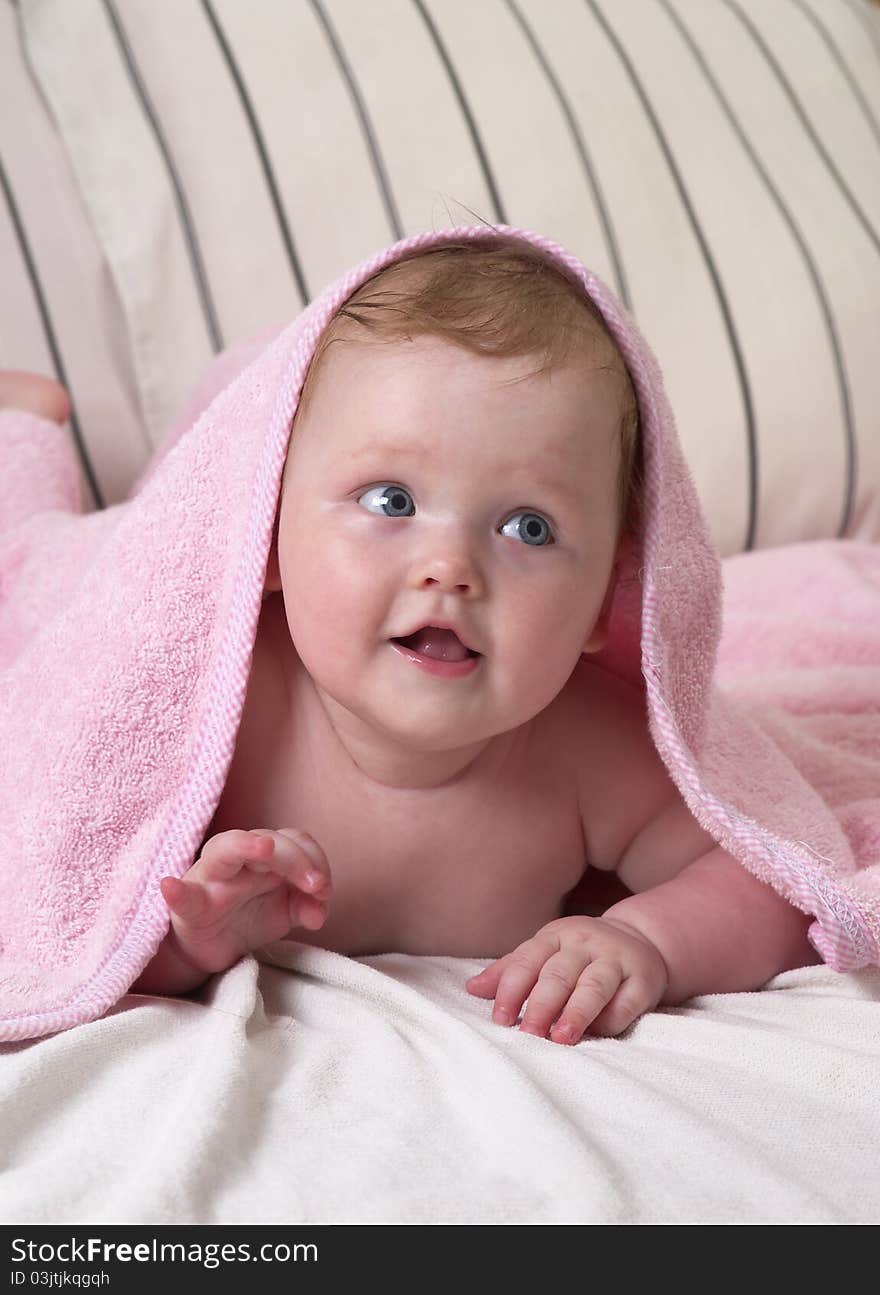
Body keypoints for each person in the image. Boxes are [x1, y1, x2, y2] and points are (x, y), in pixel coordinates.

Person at [1, 242, 818, 1043]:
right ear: (270, 532)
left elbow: (772, 874)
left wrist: (651, 939)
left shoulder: (585, 752)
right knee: (27, 557)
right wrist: (187, 940)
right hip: (87, 574)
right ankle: (21, 427)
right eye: (391, 500)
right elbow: (73, 912)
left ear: (609, 598)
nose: (450, 568)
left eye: (527, 526)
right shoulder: (218, 704)